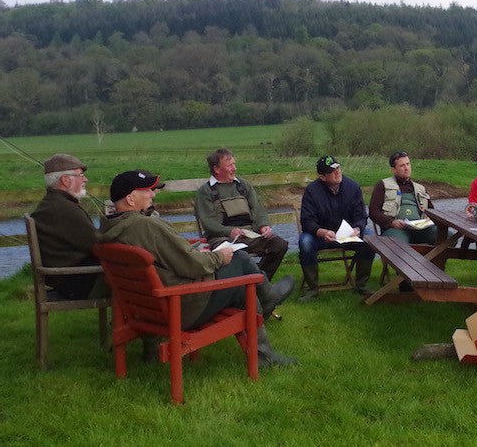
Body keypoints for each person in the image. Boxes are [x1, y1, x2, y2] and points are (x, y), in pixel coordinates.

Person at [98, 169, 295, 366]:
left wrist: (194, 252)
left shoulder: (109, 231)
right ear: (131, 199)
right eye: (147, 190)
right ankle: (268, 308)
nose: (153, 194)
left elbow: (171, 259)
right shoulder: (146, 227)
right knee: (240, 261)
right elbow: (192, 266)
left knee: (240, 283)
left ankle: (266, 317)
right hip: (181, 307)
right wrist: (219, 257)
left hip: (145, 310)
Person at [194, 148, 290, 283]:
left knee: (279, 245)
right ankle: (253, 287)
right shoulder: (206, 192)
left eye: (234, 164)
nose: (235, 168)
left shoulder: (243, 186)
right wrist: (230, 231)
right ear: (216, 169)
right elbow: (208, 222)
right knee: (238, 255)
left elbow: (258, 209)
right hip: (222, 238)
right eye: (230, 165)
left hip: (249, 236)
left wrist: (263, 226)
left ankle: (260, 283)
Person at [298, 156, 376, 301]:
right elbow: (307, 221)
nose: (337, 172)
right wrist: (322, 232)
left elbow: (361, 216)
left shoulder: (353, 187)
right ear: (322, 177)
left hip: (348, 235)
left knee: (370, 238)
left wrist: (358, 228)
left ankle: (361, 285)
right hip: (321, 237)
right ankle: (312, 290)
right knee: (305, 242)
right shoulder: (312, 191)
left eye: (338, 168)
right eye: (332, 171)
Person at [29, 153, 106, 299]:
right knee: (128, 278)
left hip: (64, 279)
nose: (85, 179)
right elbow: (98, 246)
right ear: (65, 180)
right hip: (75, 283)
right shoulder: (65, 209)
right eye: (81, 175)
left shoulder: (51, 203)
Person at [368, 151, 436, 244]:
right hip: (395, 229)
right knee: (398, 246)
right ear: (393, 170)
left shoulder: (420, 188)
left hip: (421, 230)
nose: (406, 168)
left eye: (408, 164)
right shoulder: (383, 185)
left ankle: (432, 259)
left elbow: (432, 212)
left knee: (447, 237)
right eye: (402, 166)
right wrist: (391, 222)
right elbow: (373, 212)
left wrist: (428, 221)